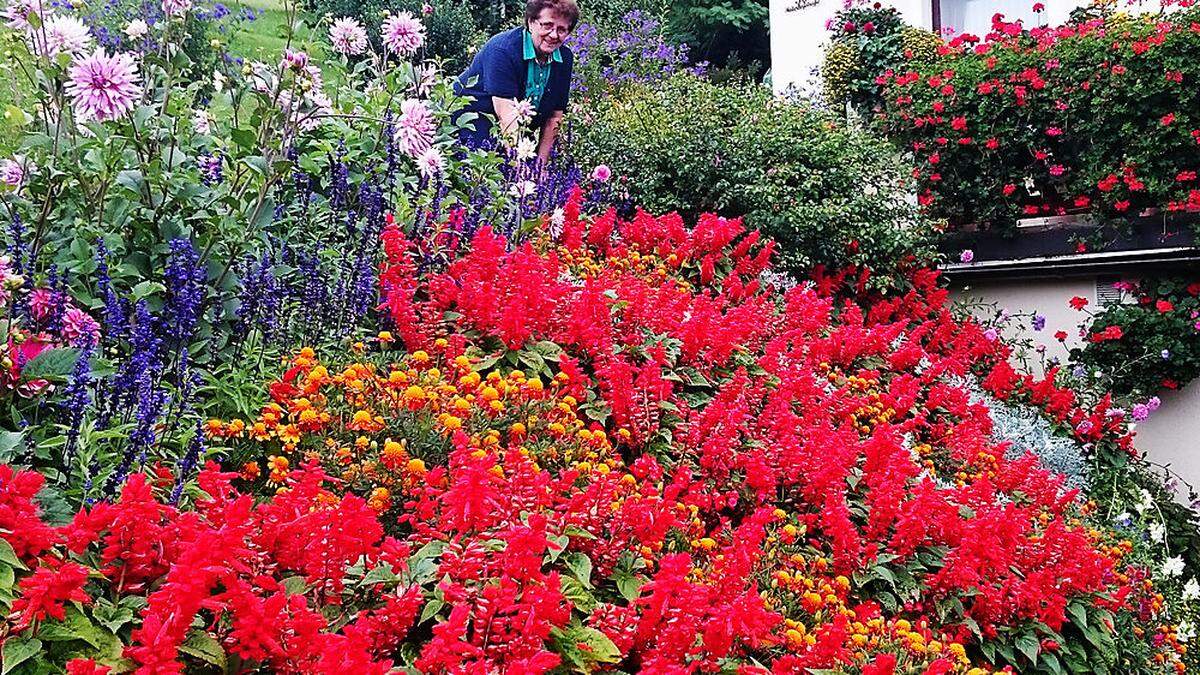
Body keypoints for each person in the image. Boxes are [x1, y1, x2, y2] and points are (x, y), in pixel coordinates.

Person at [453, 0, 577, 164]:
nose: (554, 35)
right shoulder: (503, 50)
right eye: (547, 25)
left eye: (562, 29)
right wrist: (520, 171)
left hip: (512, 132)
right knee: (484, 179)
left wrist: (541, 167)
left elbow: (554, 117)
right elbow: (506, 116)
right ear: (531, 22)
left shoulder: (564, 59)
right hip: (471, 124)